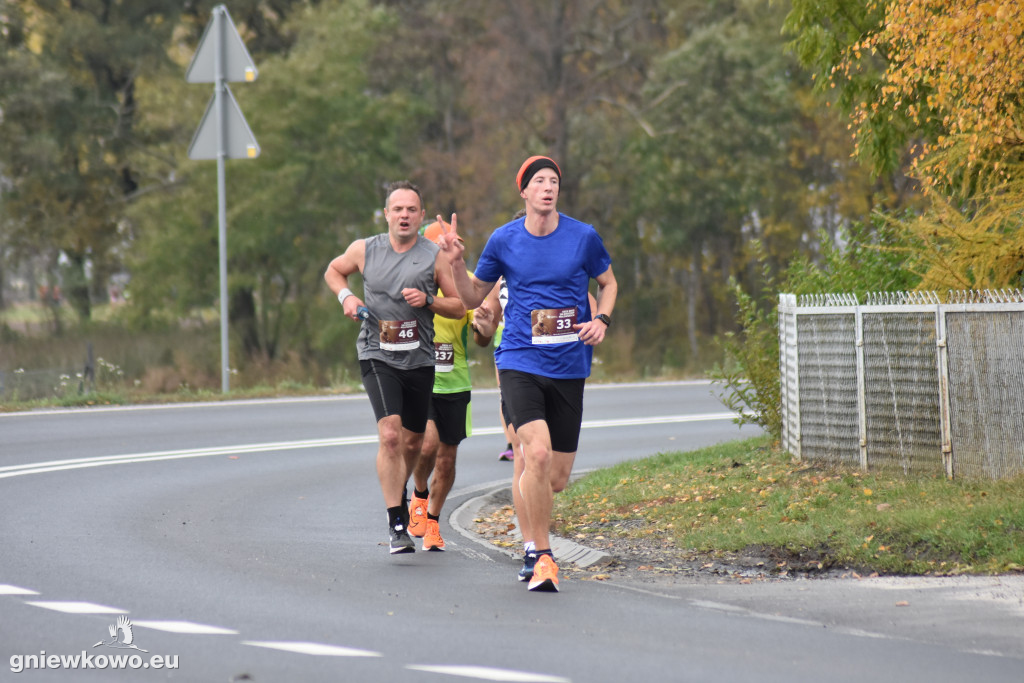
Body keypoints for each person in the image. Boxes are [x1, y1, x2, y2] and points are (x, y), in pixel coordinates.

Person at [437, 156, 618, 592]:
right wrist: (457, 264)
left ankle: (534, 541)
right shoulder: (504, 239)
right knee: (534, 454)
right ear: (524, 191)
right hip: (519, 359)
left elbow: (608, 283)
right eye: (539, 181)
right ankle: (539, 553)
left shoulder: (583, 236)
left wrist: (602, 320)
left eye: (554, 181)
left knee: (555, 478)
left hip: (569, 364)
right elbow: (471, 298)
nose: (548, 187)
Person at [324, 181, 465, 555]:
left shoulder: (433, 256)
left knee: (414, 442)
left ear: (421, 216)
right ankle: (397, 522)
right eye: (398, 209)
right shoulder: (365, 249)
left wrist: (428, 300)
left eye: (411, 210)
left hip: (419, 359)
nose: (404, 215)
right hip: (377, 353)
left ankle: (402, 491)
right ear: (387, 214)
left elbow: (458, 307)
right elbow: (333, 271)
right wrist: (347, 297)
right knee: (390, 435)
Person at [406, 220, 494, 551]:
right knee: (427, 445)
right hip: (422, 378)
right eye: (440, 246)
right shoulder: (412, 279)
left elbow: (481, 339)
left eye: (452, 245)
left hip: (455, 383)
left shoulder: (466, 281)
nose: (447, 251)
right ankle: (419, 494)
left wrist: (484, 327)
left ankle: (433, 521)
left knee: (446, 459)